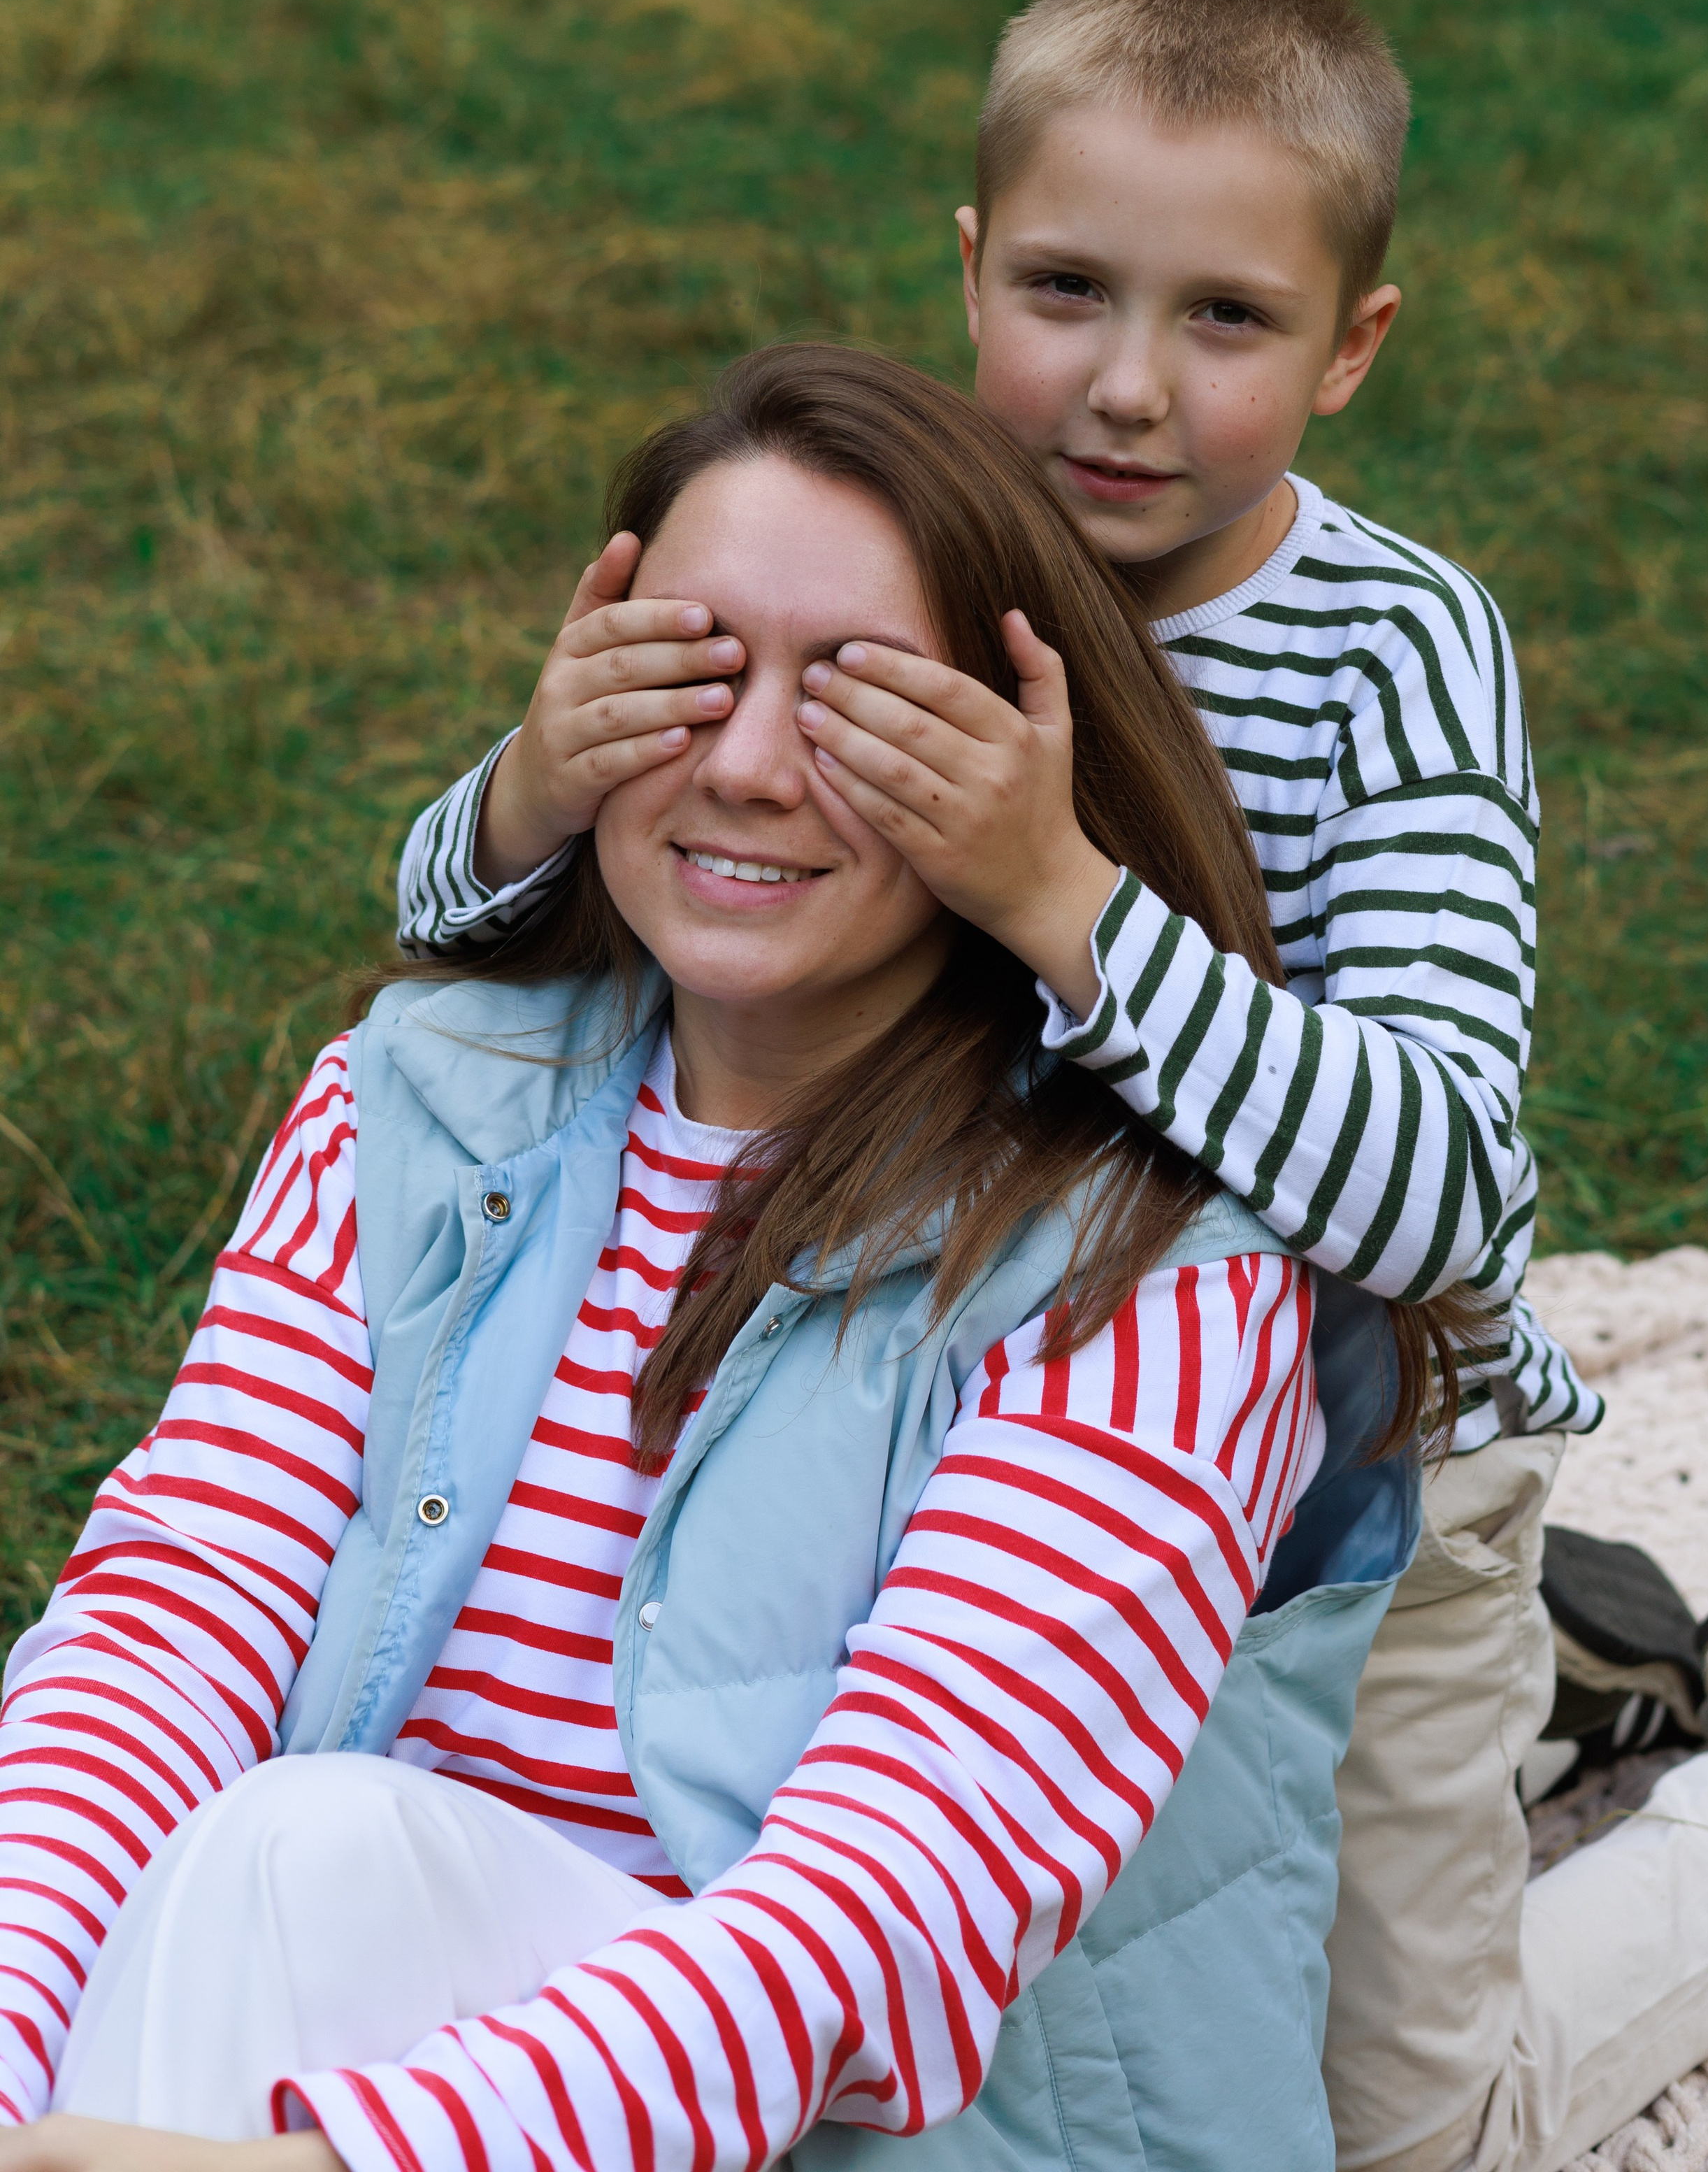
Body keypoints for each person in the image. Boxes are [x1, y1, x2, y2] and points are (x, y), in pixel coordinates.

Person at [386, 0, 1708, 2171]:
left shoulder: (1390, 659)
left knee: (1405, 2131)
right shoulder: (910, 550)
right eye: (1065, 290)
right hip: (985, 1446)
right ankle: (1585, 1672)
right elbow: (464, 927)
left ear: (1354, 346)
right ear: (967, 273)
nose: (1126, 387)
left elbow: (1445, 1194)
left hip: (1358, 1481)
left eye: (1225, 319)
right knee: (1005, 1999)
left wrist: (1058, 899)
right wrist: (535, 790)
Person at [0, 348, 1440, 2172]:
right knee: (286, 1853)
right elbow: (161, 1632)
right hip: (367, 2026)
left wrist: (338, 2166)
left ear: (1014, 763)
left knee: (307, 1854)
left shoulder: (1149, 1266)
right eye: (690, 673)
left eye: (861, 705)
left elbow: (885, 1900)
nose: (751, 768)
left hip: (859, 2131)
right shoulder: (414, 1107)